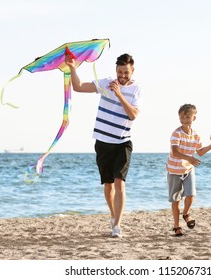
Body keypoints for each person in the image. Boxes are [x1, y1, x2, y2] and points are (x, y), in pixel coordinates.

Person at [65, 53, 141, 238]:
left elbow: (133, 115)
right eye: (120, 72)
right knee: (108, 186)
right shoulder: (107, 82)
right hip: (103, 142)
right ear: (115, 70)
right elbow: (78, 87)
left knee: (119, 183)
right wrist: (73, 68)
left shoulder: (136, 88)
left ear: (132, 71)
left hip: (123, 141)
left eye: (126, 72)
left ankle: (118, 225)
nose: (122, 76)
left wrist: (119, 94)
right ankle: (114, 216)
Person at [167, 104, 211, 236]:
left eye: (187, 116)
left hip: (188, 169)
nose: (184, 119)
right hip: (174, 170)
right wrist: (189, 158)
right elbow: (175, 152)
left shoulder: (195, 135)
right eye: (182, 116)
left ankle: (186, 214)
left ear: (193, 118)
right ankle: (176, 226)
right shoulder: (176, 133)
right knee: (176, 199)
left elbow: (200, 152)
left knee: (191, 194)